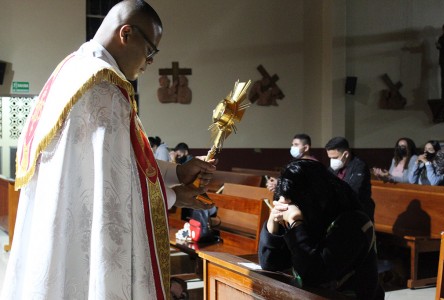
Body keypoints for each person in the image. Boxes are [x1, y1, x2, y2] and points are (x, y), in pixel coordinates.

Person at [1, 1, 216, 299]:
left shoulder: (70, 71)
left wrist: (177, 171)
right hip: (84, 239)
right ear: (126, 34)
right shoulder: (103, 87)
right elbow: (115, 190)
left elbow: (122, 161)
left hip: (58, 234)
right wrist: (175, 194)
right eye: (150, 50)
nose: (150, 61)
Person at [258, 159, 384, 300]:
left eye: (292, 204)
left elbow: (314, 275)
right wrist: (272, 225)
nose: (288, 210)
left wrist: (295, 222)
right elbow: (270, 264)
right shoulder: (310, 214)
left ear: (313, 197)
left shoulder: (354, 222)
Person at [325, 136, 374, 221]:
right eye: (330, 158)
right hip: (340, 213)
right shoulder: (333, 167)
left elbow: (351, 191)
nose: (332, 161)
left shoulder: (359, 166)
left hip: (359, 213)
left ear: (346, 154)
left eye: (335, 158)